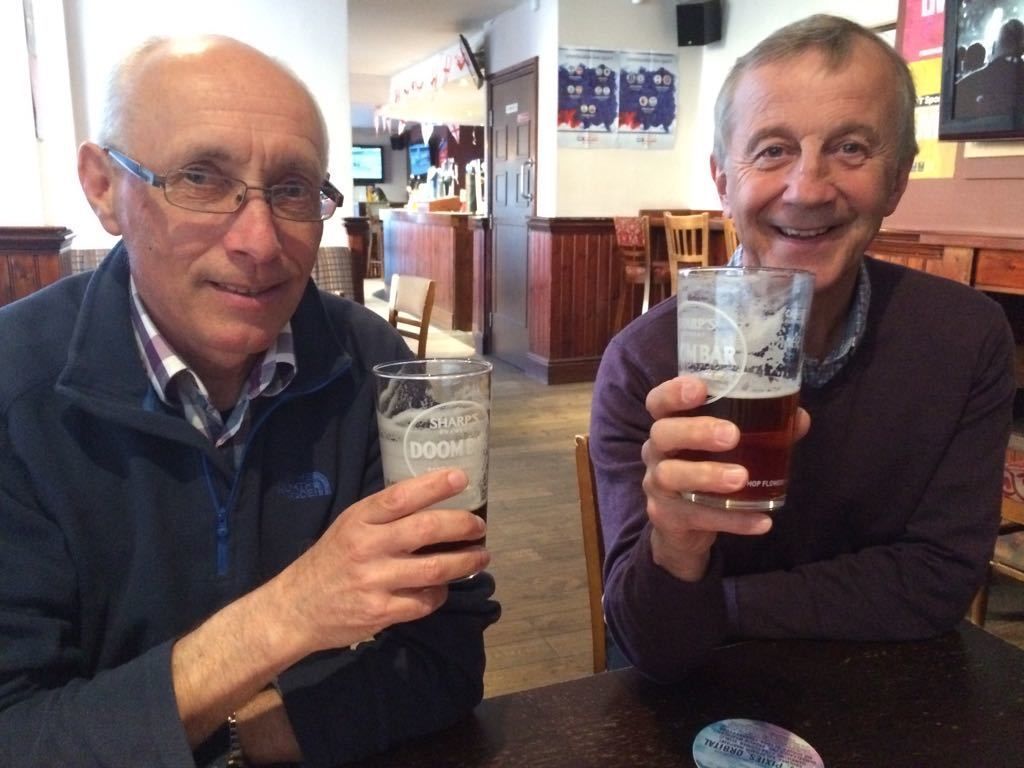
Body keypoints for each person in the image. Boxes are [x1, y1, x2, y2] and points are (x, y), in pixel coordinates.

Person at [0, 36, 499, 766]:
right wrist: (287, 615)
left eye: (293, 189)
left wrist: (240, 736)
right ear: (103, 187)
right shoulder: (15, 386)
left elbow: (443, 657)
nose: (260, 242)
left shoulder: (368, 363)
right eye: (201, 178)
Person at [590, 14, 1016, 682]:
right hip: (700, 697)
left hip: (888, 690)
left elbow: (938, 580)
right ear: (723, 181)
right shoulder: (645, 363)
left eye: (850, 148)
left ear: (898, 179)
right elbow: (650, 638)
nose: (809, 188)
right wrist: (675, 546)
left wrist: (718, 602)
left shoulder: (966, 337)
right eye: (771, 151)